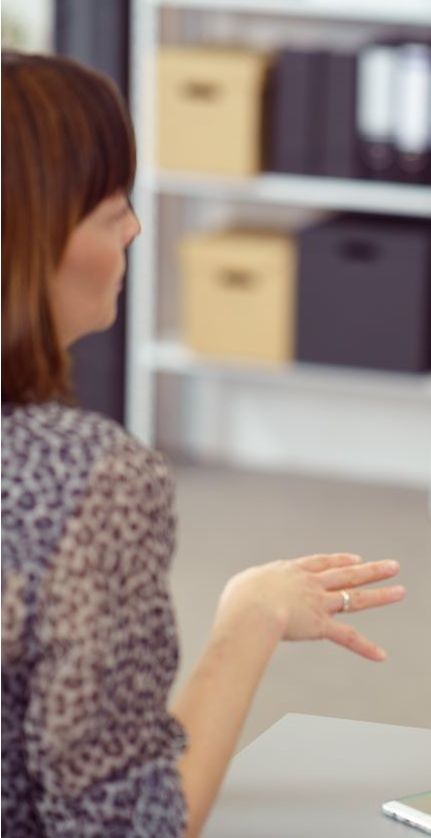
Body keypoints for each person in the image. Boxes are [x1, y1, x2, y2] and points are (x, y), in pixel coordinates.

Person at [0, 51, 406, 837]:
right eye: (109, 203)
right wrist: (251, 616)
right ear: (34, 239)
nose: (135, 226)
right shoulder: (88, 477)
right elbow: (128, 826)